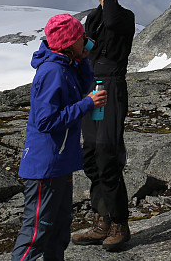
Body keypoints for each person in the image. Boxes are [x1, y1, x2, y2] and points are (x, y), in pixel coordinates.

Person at [11, 14, 107, 261]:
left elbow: (85, 83)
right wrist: (87, 104)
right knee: (36, 233)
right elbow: (45, 121)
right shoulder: (52, 71)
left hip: (60, 162)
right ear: (67, 42)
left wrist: (84, 57)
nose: (85, 40)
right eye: (80, 38)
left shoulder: (66, 64)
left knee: (58, 230)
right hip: (46, 165)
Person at [72, 0, 136, 251]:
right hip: (93, 88)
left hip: (111, 88)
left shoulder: (125, 16)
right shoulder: (95, 18)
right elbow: (87, 44)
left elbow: (111, 20)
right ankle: (102, 221)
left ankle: (120, 224)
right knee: (92, 155)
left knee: (108, 154)